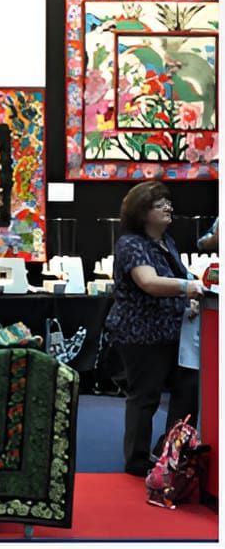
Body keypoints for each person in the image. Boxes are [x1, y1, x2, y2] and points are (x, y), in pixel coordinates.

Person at [104, 181, 204, 477]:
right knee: (145, 397)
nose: (168, 208)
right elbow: (148, 282)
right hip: (140, 335)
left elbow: (181, 276)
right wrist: (188, 287)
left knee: (187, 393)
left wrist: (192, 294)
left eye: (168, 203)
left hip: (174, 333)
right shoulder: (131, 244)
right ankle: (136, 461)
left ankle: (169, 451)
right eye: (160, 204)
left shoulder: (167, 242)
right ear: (142, 212)